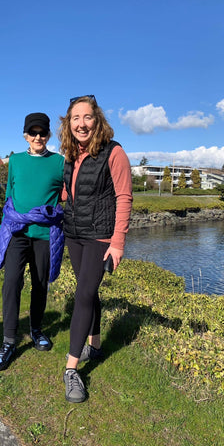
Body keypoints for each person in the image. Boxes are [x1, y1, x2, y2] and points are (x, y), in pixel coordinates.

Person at [58, 95, 133, 402]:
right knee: (88, 291)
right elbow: (70, 191)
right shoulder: (70, 154)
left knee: (84, 295)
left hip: (100, 235)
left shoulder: (113, 152)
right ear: (69, 123)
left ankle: (72, 369)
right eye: (76, 118)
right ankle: (97, 346)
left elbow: (124, 197)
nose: (81, 124)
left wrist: (117, 243)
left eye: (87, 117)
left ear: (97, 120)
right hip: (74, 234)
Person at [0, 112, 64, 371]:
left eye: (42, 132)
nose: (38, 137)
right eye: (33, 133)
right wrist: (4, 228)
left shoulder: (59, 163)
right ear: (25, 136)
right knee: (11, 282)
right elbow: (9, 196)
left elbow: (67, 195)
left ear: (48, 135)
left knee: (40, 284)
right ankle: (9, 340)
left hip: (45, 235)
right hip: (17, 234)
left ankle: (36, 329)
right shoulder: (15, 162)